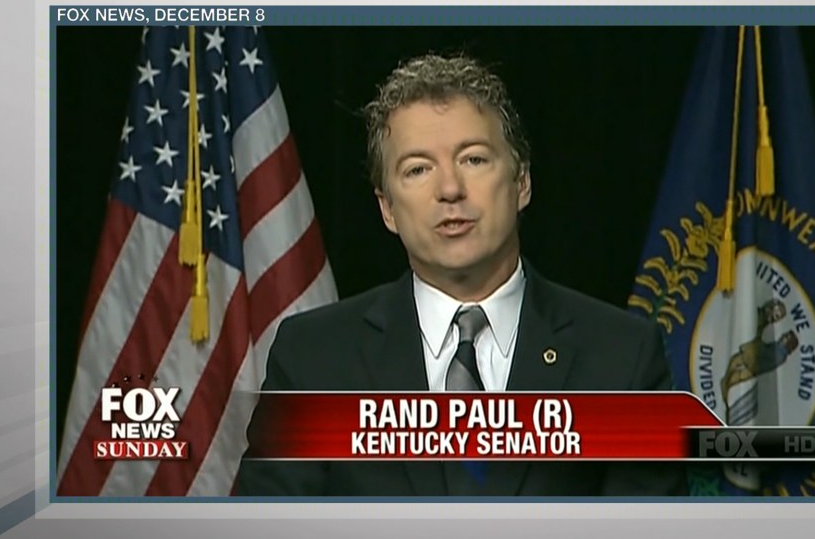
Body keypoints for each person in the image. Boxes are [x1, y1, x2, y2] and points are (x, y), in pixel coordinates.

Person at [234, 54, 686, 496]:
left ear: (521, 182)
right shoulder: (313, 358)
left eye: (473, 159)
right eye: (417, 169)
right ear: (387, 209)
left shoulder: (622, 357)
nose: (450, 189)